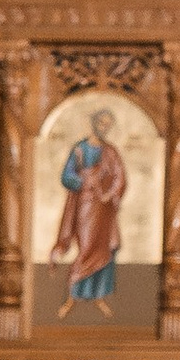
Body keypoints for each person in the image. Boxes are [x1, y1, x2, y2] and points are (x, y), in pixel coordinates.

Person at [51, 107, 128, 318]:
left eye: (108, 124)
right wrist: (85, 181)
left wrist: (108, 194)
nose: (105, 127)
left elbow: (120, 178)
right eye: (102, 122)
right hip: (85, 207)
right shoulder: (80, 150)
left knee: (105, 250)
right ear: (94, 123)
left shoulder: (110, 151)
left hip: (104, 209)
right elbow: (67, 177)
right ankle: (72, 296)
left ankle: (98, 296)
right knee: (86, 248)